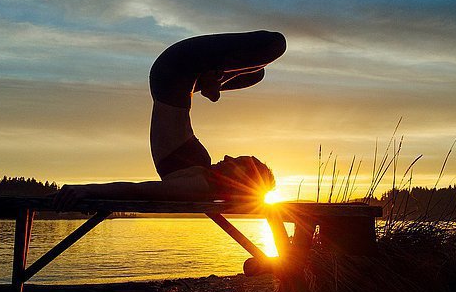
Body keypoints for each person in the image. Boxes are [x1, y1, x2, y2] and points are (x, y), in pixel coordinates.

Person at [53, 30, 286, 211]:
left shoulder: (199, 187)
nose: (227, 157)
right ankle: (209, 80)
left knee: (275, 43)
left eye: (236, 162)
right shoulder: (204, 179)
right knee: (257, 73)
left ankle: (211, 77)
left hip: (175, 69)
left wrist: (86, 190)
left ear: (241, 180)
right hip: (182, 80)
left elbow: (139, 191)